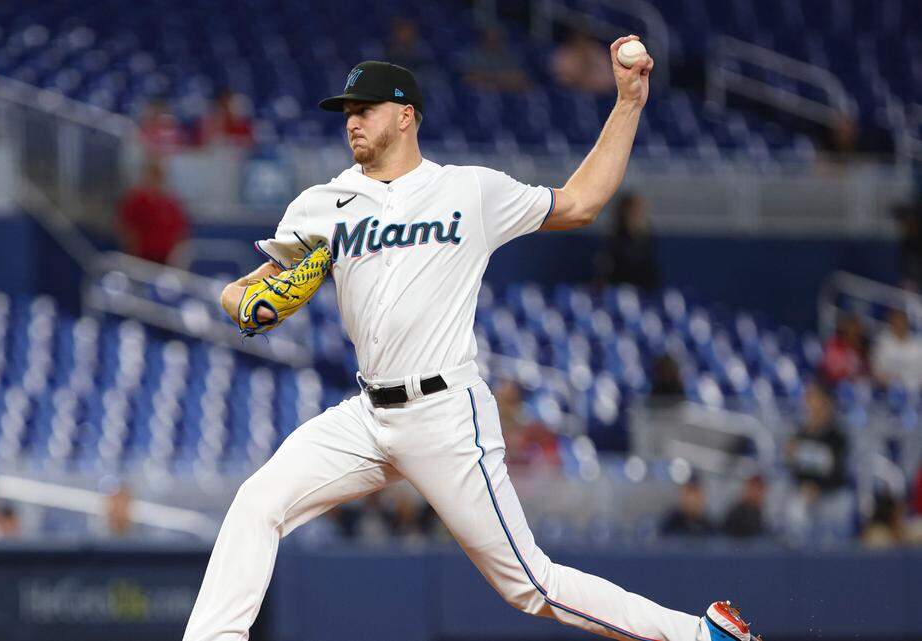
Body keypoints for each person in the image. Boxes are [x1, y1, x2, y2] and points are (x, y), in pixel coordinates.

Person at [186, 41, 761, 641]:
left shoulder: (469, 191)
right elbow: (247, 289)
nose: (352, 120)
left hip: (444, 413)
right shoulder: (321, 204)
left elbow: (583, 203)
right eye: (346, 111)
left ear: (406, 115)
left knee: (530, 586)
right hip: (366, 413)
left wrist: (628, 102)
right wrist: (242, 301)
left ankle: (701, 636)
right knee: (258, 503)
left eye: (367, 107)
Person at [784, 381, 850, 537]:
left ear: (827, 403)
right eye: (808, 399)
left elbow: (836, 469)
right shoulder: (800, 434)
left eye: (815, 399)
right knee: (794, 509)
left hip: (832, 496)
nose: (811, 405)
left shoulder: (837, 435)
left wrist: (817, 487)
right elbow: (796, 470)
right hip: (806, 496)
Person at [117, 160, 191, 265]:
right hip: (141, 258)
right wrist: (133, 249)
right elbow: (125, 227)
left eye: (157, 176)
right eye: (151, 175)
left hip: (165, 259)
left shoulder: (171, 203)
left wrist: (175, 256)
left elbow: (180, 232)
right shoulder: (135, 201)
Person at [597, 192, 658, 292]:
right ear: (625, 212)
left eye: (640, 210)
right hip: (619, 291)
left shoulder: (649, 240)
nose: (639, 214)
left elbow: (651, 274)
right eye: (635, 210)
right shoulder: (614, 240)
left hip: (644, 293)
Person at [494, 380, 559, 467]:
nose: (507, 406)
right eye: (505, 400)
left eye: (511, 401)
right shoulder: (492, 425)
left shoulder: (525, 420)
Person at [459, 26, 531, 93]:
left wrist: (488, 77)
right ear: (483, 40)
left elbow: (520, 78)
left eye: (498, 39)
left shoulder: (508, 56)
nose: (495, 42)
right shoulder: (471, 55)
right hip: (482, 94)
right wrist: (502, 79)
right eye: (491, 39)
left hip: (507, 95)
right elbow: (468, 79)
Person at [551, 30, 615, 95]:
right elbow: (562, 81)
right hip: (581, 93)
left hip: (599, 91)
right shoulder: (562, 55)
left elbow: (608, 81)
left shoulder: (595, 49)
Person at [871, 309, 922, 390]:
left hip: (914, 389)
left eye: (902, 321)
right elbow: (876, 369)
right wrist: (893, 383)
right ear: (891, 322)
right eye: (896, 321)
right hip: (887, 388)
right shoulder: (883, 342)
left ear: (907, 323)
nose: (899, 324)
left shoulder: (918, 344)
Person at [819, 313, 867, 387]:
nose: (854, 333)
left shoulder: (861, 349)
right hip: (835, 385)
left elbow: (864, 370)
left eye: (857, 331)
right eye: (851, 329)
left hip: (855, 384)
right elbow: (830, 369)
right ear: (845, 330)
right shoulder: (835, 344)